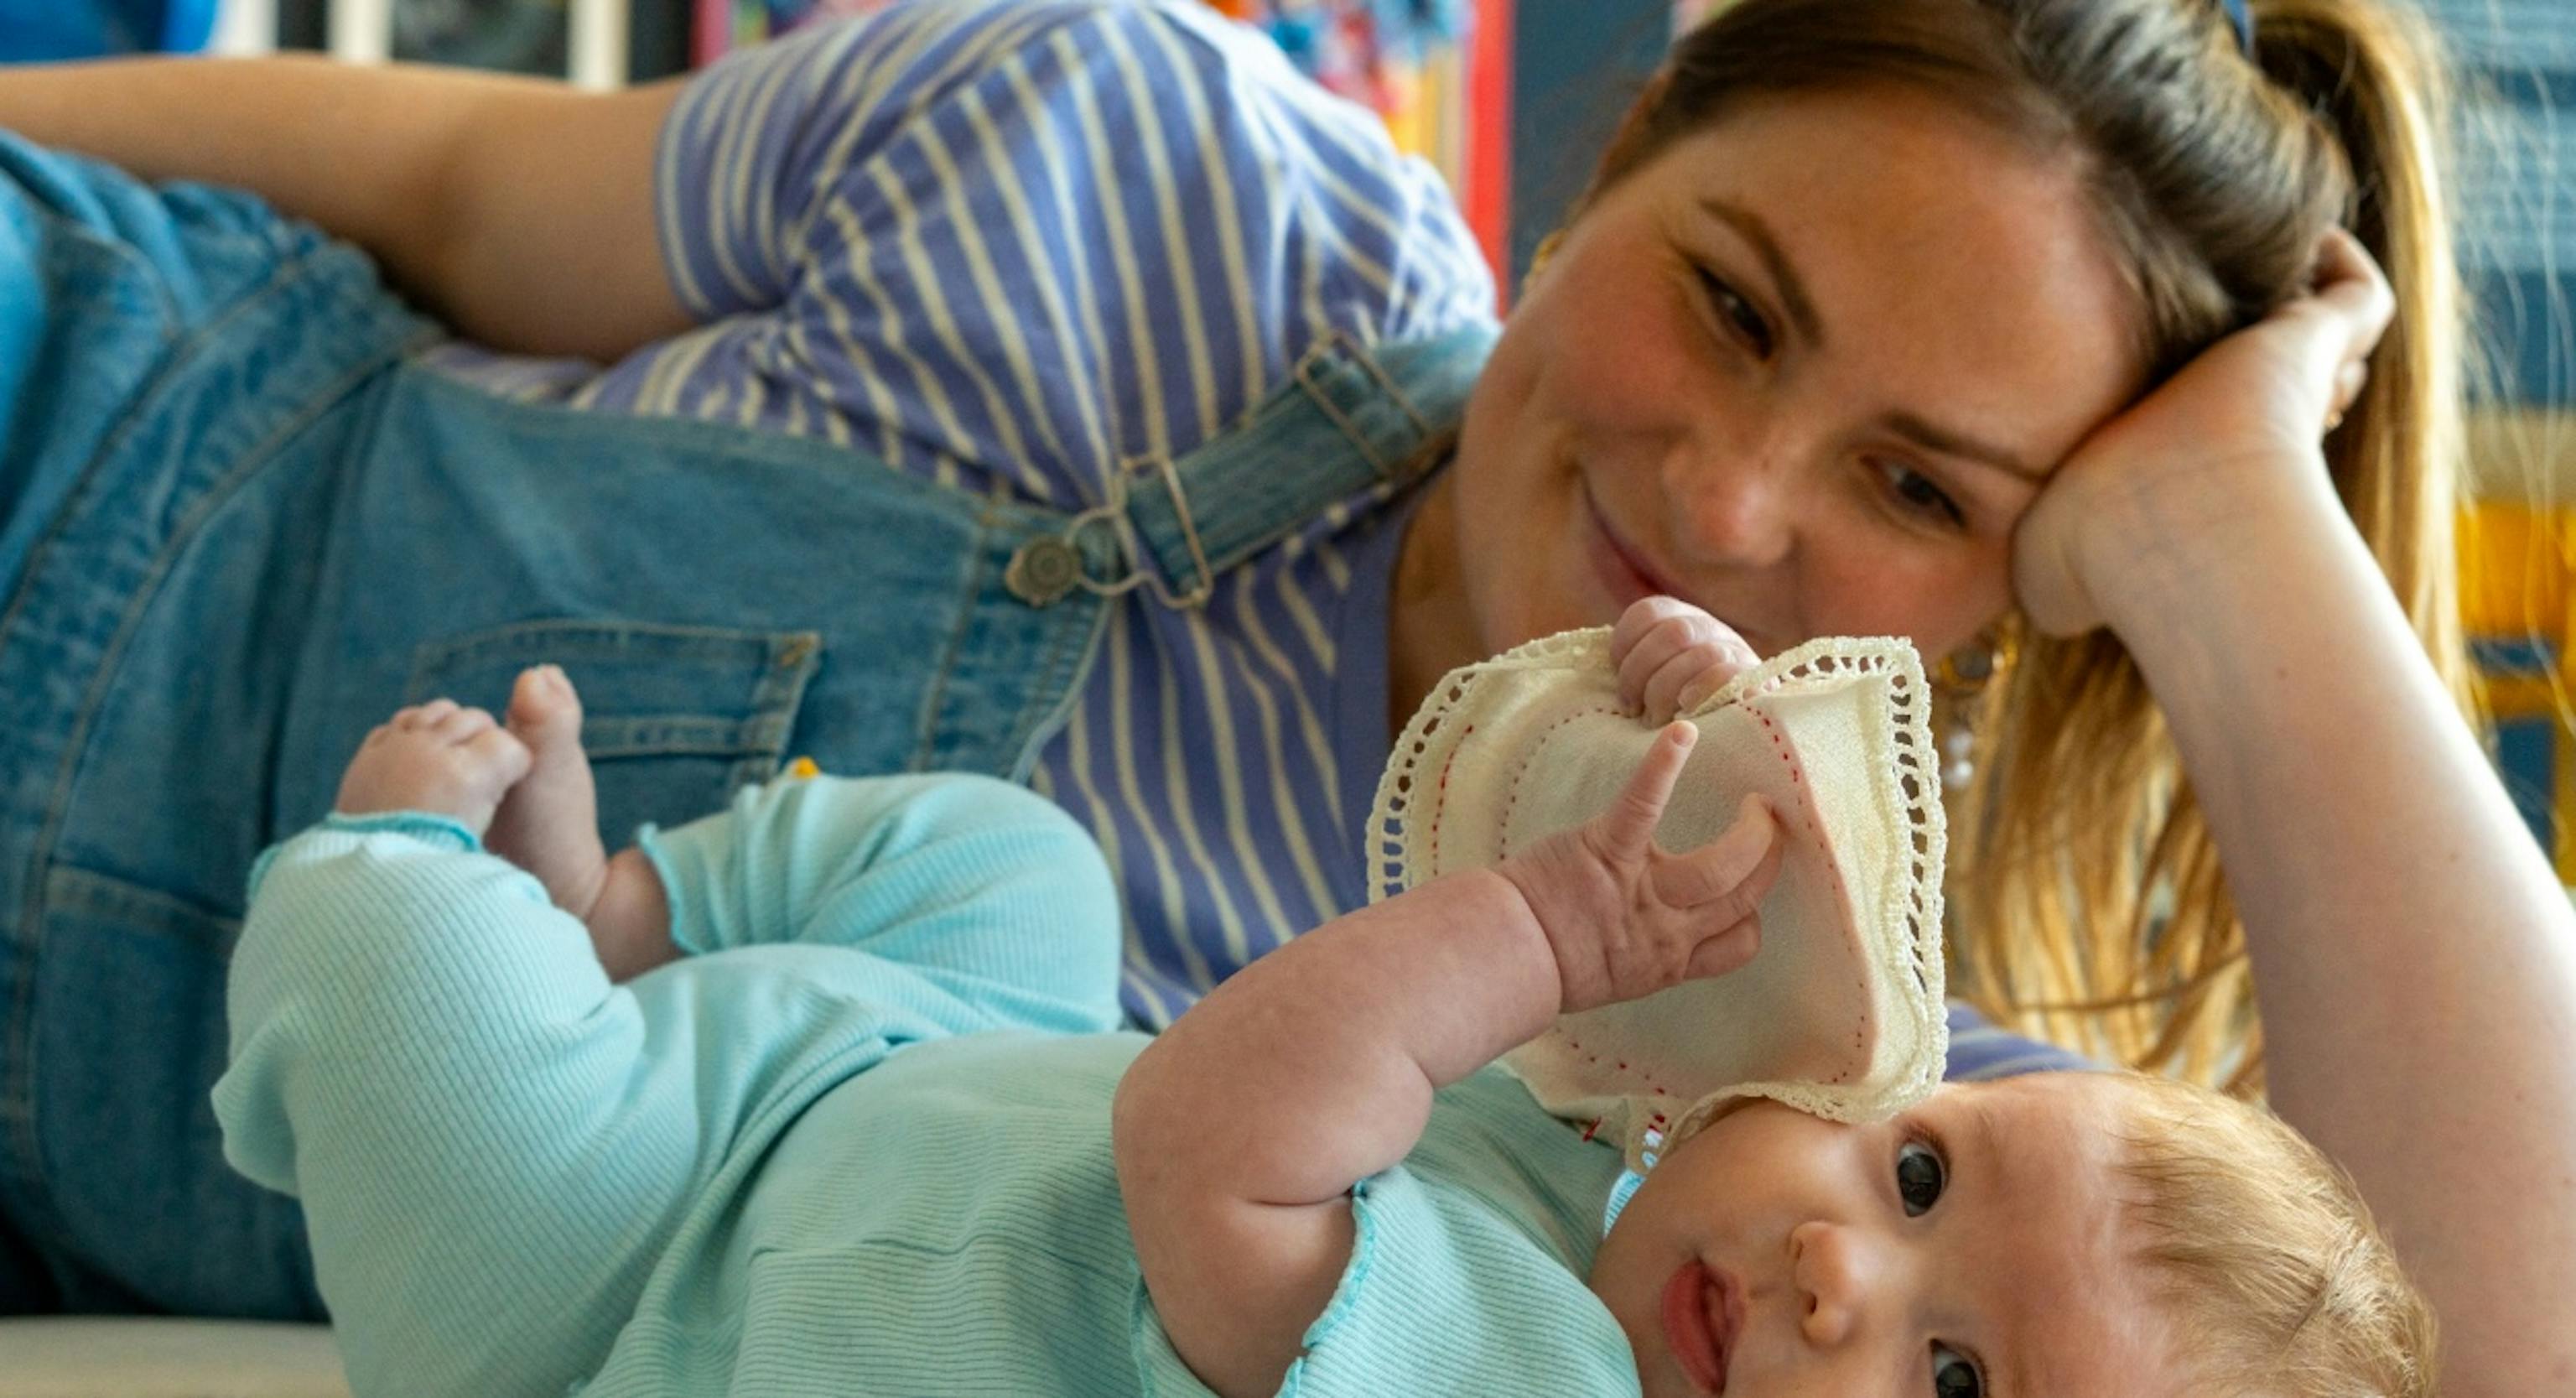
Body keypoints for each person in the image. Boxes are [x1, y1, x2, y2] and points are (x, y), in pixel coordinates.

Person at [0, 2, 2566, 1392]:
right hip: (89, 432)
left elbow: (2510, 1357)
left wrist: (2242, 538)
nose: (1740, 500)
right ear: (1621, 150)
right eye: (1738, 303)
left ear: (2038, 587)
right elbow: (445, 189)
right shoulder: (1169, 175)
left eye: (1923, 482)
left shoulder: (1784, 1095)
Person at [221, 636, 2430, 1398]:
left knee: (453, 1071)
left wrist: (1560, 927)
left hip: (657, 1289)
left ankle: (416, 893)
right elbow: (1578, 812)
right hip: (884, 1085)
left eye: (1958, 1384)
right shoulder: (1630, 1189)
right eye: (1926, 1166)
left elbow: (1225, 1136)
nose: (1846, 1264)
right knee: (1030, 869)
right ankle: (622, 913)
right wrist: (1663, 717)